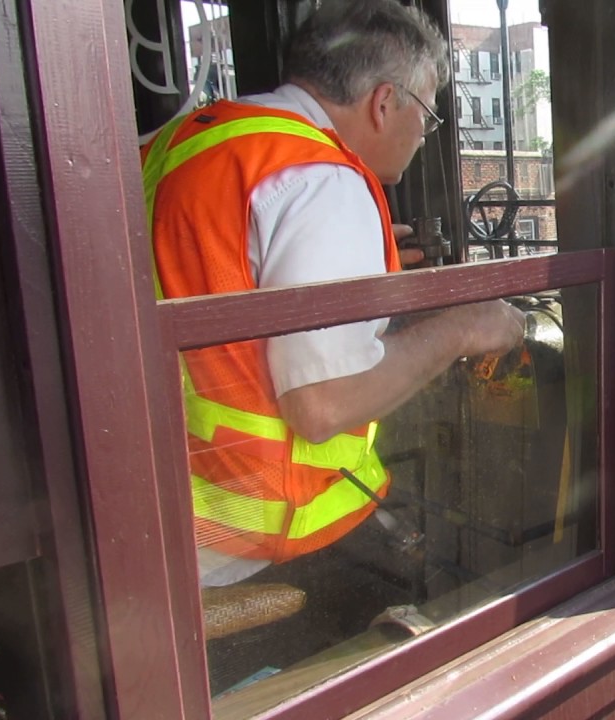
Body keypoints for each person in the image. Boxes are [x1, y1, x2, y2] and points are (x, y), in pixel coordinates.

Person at [142, 0, 525, 589]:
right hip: (248, 534)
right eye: (427, 113)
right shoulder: (322, 178)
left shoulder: (189, 143)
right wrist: (464, 328)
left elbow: (214, 273)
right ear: (383, 102)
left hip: (156, 509)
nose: (424, 135)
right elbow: (324, 407)